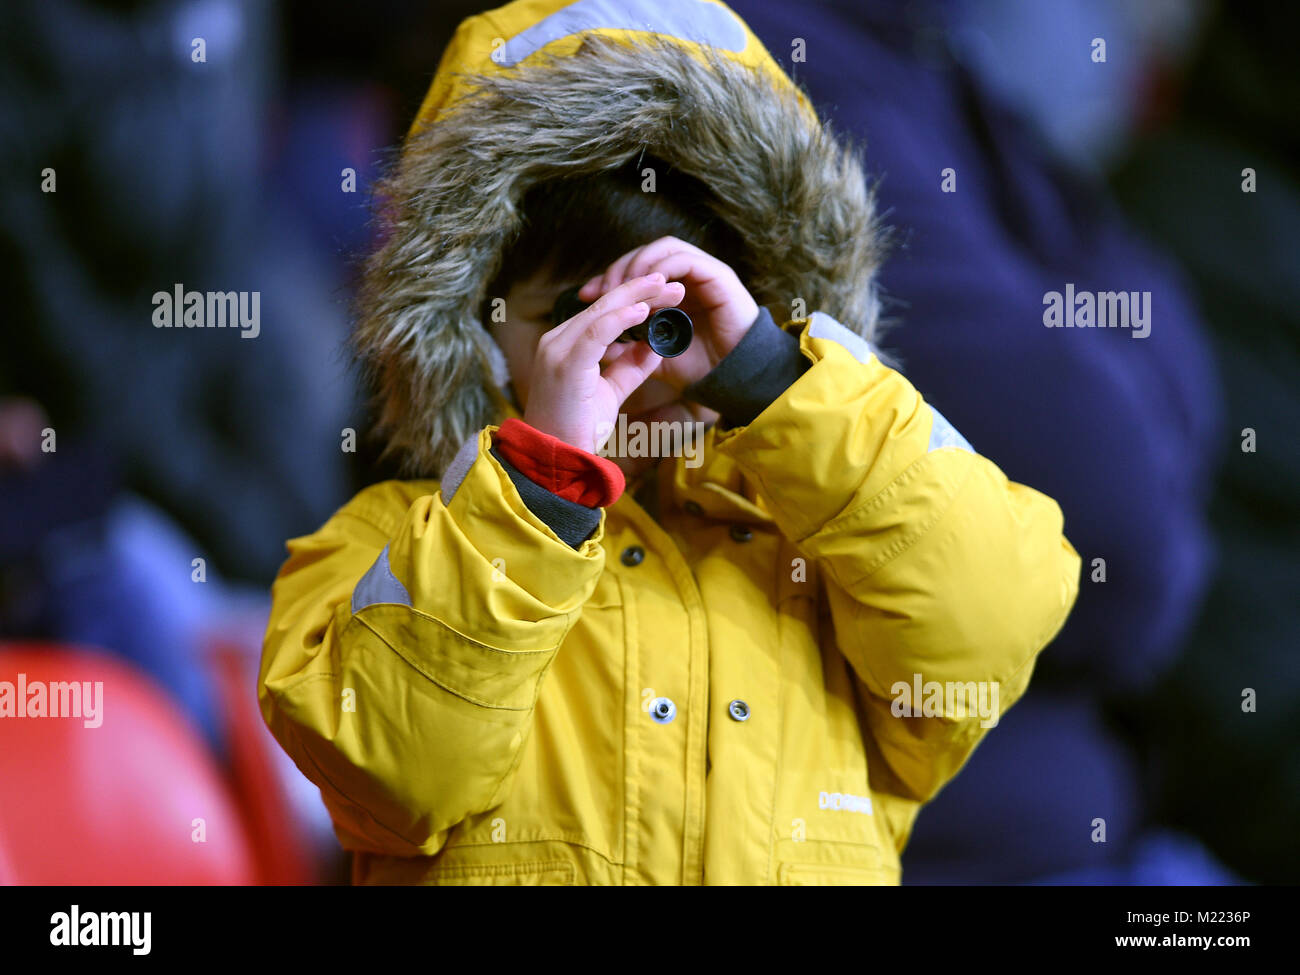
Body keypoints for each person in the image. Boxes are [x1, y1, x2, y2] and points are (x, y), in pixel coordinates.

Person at [258, 0, 1081, 885]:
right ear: (478, 331)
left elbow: (992, 620)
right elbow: (393, 766)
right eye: (575, 316)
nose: (634, 360)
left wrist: (774, 381)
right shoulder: (392, 547)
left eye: (674, 316)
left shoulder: (828, 559)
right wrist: (541, 480)